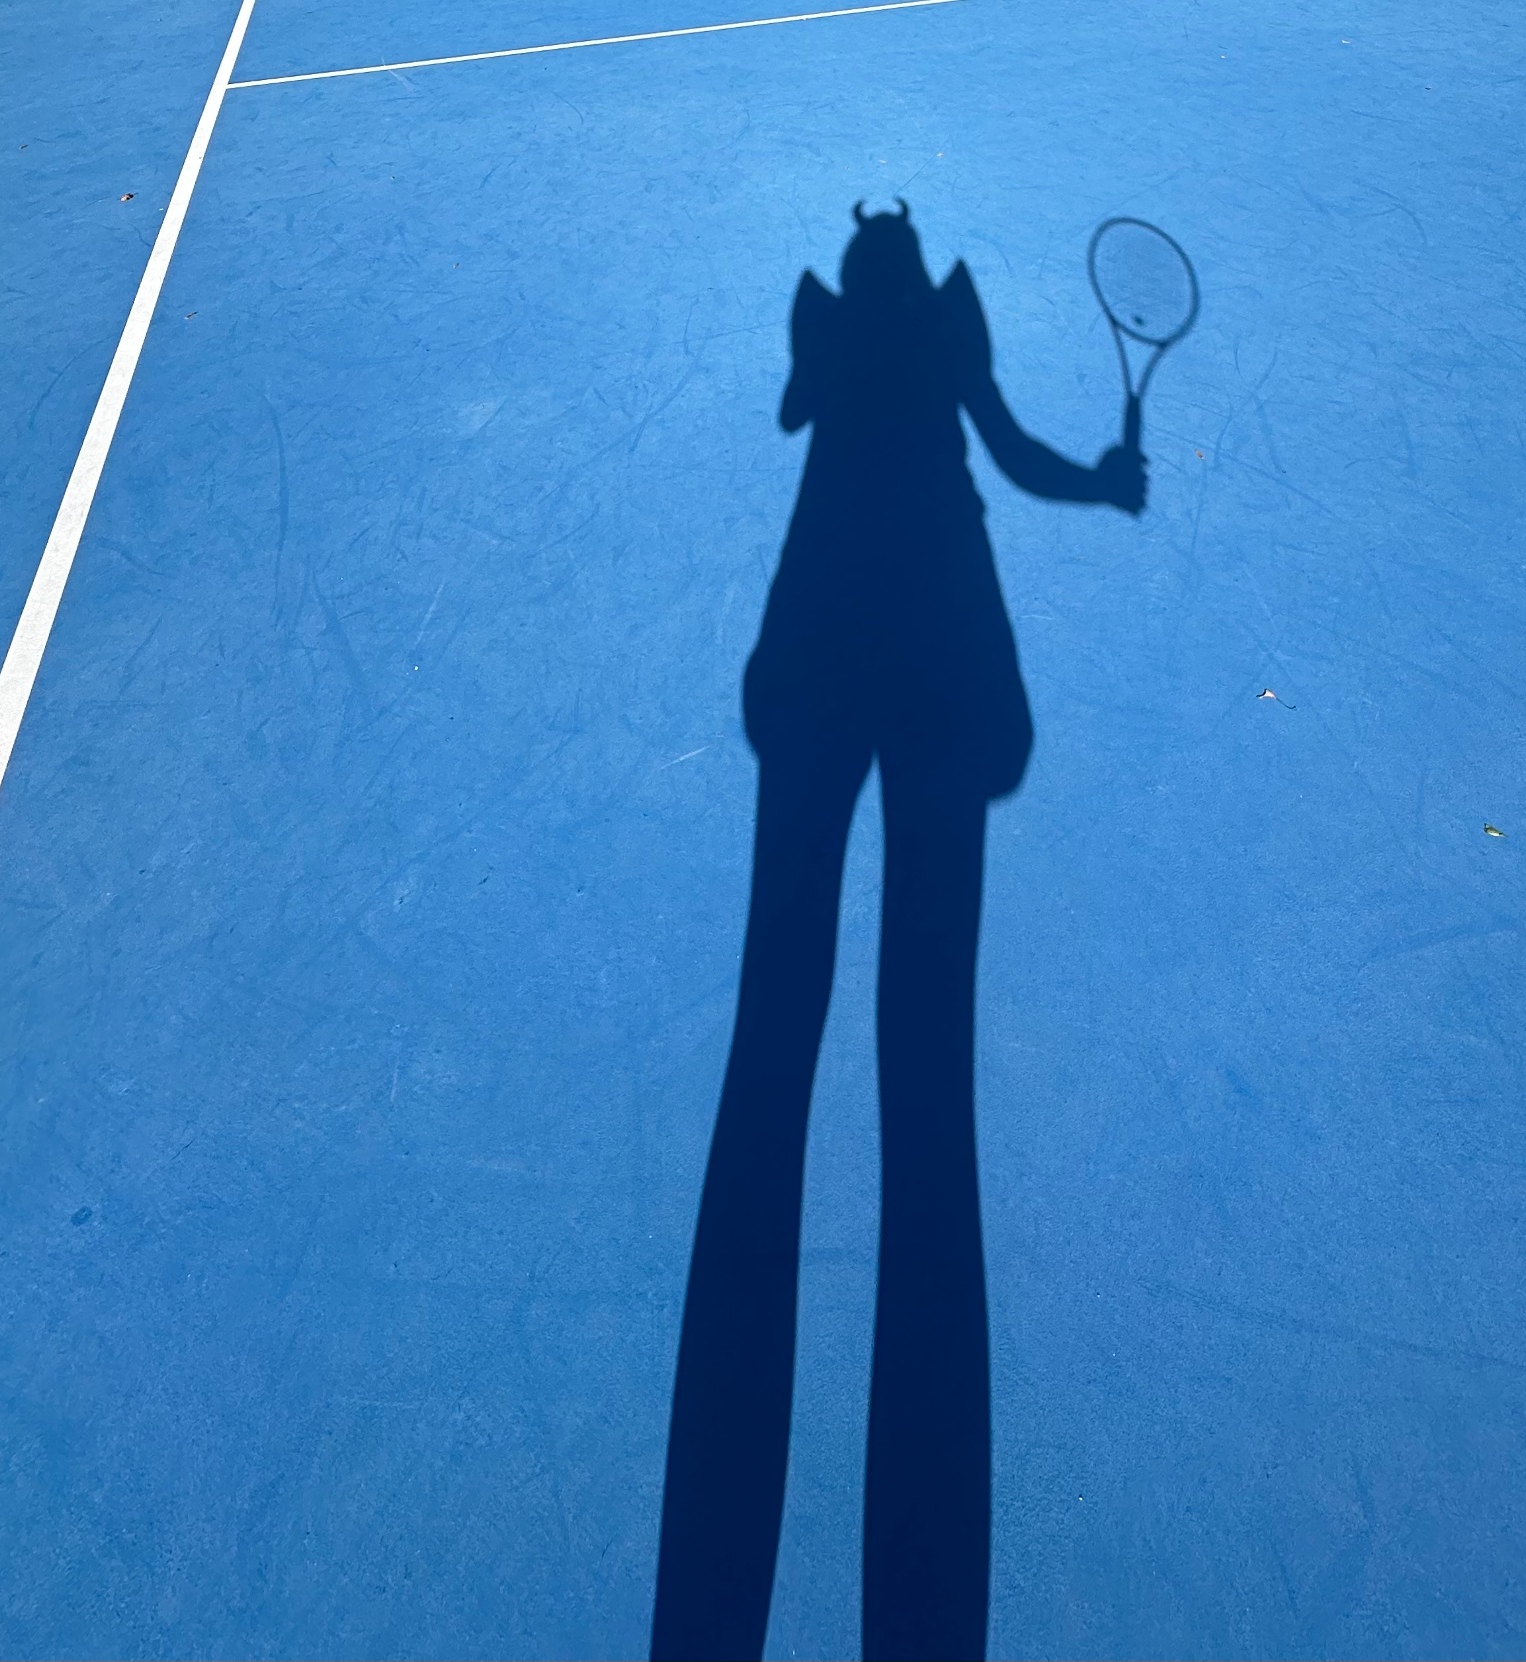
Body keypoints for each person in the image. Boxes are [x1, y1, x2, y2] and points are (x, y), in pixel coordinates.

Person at [652, 202, 1145, 1662]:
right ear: (919, 272)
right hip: (940, 668)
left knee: (775, 1033)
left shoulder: (838, 332)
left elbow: (793, 402)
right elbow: (1017, 454)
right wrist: (1106, 483)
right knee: (927, 1066)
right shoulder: (945, 332)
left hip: (815, 663)